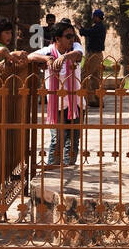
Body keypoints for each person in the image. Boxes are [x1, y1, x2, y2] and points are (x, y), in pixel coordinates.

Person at [29, 20, 84, 167]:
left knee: (72, 139)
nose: (72, 39)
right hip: (57, 104)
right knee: (57, 139)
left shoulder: (75, 47)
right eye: (68, 36)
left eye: (73, 35)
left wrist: (64, 57)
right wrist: (46, 59)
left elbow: (78, 54)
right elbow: (30, 56)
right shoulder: (48, 51)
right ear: (57, 39)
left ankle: (68, 167)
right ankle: (52, 169)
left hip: (76, 102)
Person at [79, 9, 106, 107]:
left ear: (97, 17)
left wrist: (80, 28)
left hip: (94, 55)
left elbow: (87, 32)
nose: (92, 18)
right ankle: (97, 100)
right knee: (95, 78)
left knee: (84, 75)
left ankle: (89, 98)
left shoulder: (98, 27)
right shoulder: (100, 27)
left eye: (94, 16)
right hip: (98, 54)